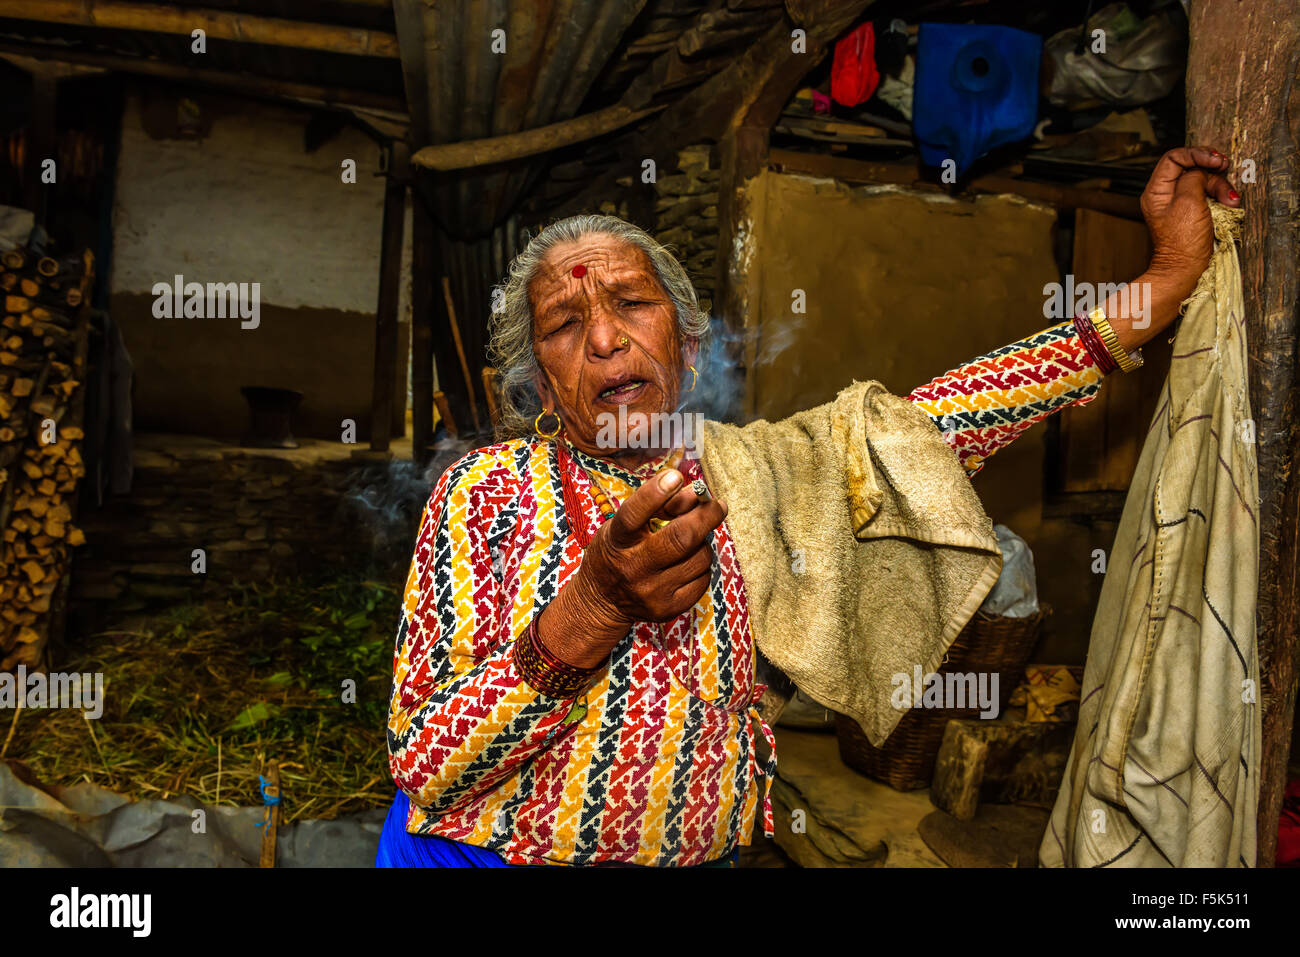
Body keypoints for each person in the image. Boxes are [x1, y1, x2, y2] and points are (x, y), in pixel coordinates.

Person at [377, 148, 1241, 867]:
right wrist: (592, 609)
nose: (604, 337)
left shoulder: (765, 474)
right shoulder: (487, 491)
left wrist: (1165, 281)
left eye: (632, 303)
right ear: (537, 379)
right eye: (564, 323)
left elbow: (959, 413)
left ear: (689, 340)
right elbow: (425, 762)